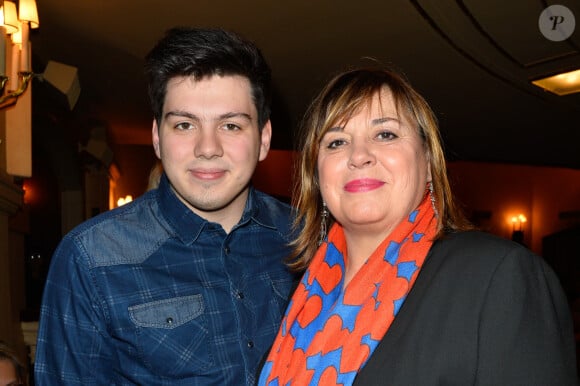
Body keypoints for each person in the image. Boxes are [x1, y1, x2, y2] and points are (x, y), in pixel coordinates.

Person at [258, 67, 578, 385]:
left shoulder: (499, 275)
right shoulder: (299, 294)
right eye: (336, 142)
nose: (358, 156)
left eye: (385, 134)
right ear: (317, 175)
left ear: (428, 162)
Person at [35, 27, 298, 385]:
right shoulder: (91, 258)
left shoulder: (304, 237)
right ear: (158, 138)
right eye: (185, 124)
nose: (208, 147)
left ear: (263, 138)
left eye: (231, 125)